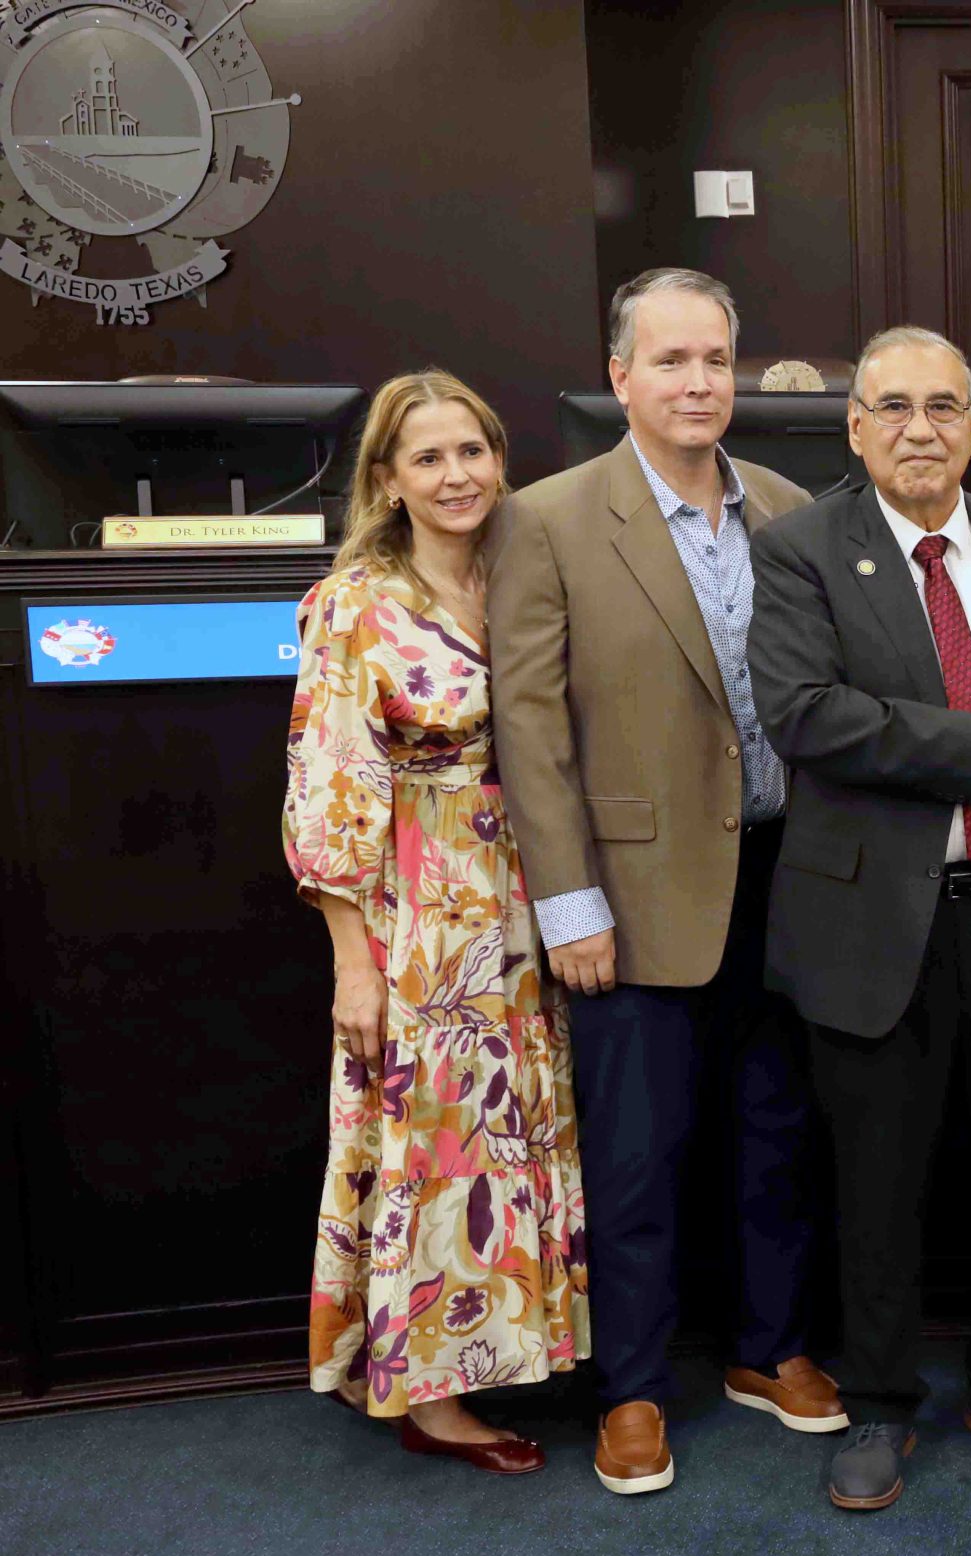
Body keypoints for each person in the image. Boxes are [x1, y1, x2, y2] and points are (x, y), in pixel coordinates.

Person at [488, 268, 840, 1497]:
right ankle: (631, 1388)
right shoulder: (547, 518)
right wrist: (567, 901)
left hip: (785, 877)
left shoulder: (788, 507)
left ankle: (768, 1350)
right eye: (671, 361)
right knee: (636, 1155)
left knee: (775, 1135)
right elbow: (530, 724)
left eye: (716, 360)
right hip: (630, 895)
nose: (698, 383)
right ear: (620, 376)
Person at [747, 327, 971, 1512]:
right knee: (877, 1181)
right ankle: (883, 1402)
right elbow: (805, 713)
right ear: (855, 428)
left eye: (943, 406)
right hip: (872, 923)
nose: (920, 429)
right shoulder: (799, 549)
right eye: (893, 407)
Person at [289, 370, 587, 1474]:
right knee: (439, 1141)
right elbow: (329, 787)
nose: (457, 475)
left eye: (473, 451)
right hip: (421, 914)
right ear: (387, 480)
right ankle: (432, 1392)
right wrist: (353, 966)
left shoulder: (524, 575)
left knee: (515, 1127)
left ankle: (511, 1344)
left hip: (526, 899)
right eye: (429, 457)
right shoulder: (355, 604)